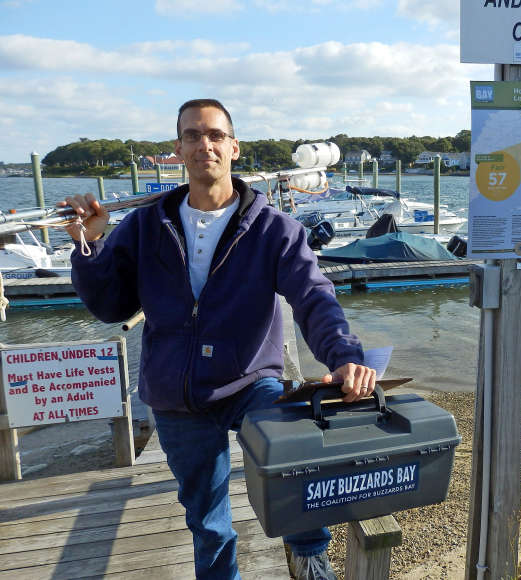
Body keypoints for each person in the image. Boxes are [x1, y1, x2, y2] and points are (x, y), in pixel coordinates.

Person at [60, 98, 376, 580]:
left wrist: (345, 357)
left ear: (234, 146)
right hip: (175, 393)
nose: (203, 144)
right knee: (207, 522)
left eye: (213, 135)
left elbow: (314, 298)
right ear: (178, 149)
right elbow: (110, 307)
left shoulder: (275, 230)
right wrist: (90, 246)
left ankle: (308, 552)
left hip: (249, 382)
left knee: (298, 452)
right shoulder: (145, 226)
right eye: (192, 135)